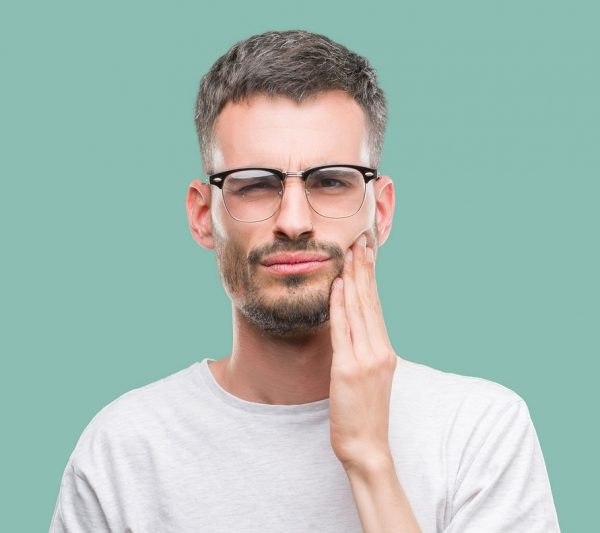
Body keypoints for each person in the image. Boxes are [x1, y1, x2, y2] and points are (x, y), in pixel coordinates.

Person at [49, 30, 560, 532]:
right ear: (203, 216)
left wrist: (369, 458)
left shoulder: (480, 432)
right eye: (254, 184)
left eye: (331, 181)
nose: (293, 221)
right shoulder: (123, 450)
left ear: (381, 212)